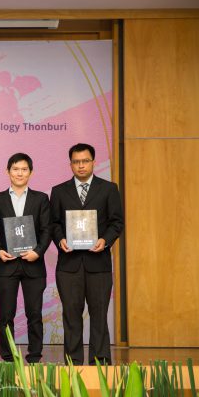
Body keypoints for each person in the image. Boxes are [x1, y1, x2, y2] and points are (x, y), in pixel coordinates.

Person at [50, 143, 123, 365]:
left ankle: (100, 364)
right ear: (70, 164)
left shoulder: (109, 189)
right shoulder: (59, 191)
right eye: (76, 162)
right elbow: (53, 223)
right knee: (71, 315)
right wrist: (60, 239)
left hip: (98, 263)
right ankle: (73, 364)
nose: (81, 165)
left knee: (99, 315)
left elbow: (116, 222)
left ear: (93, 162)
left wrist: (105, 240)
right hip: (69, 265)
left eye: (85, 161)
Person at [0, 153, 51, 363]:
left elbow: (47, 230)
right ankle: (8, 357)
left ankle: (34, 356)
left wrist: (38, 252)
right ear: (8, 172)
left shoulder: (41, 199)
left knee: (34, 313)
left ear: (31, 172)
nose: (20, 173)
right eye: (15, 169)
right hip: (7, 265)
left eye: (24, 169)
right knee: (6, 314)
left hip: (34, 265)